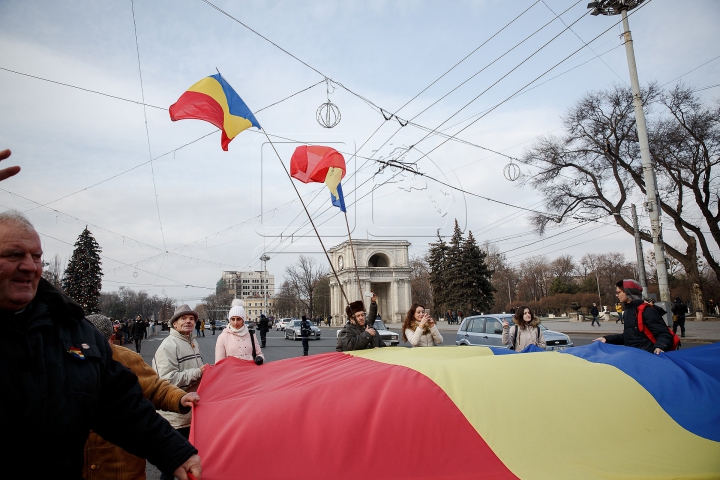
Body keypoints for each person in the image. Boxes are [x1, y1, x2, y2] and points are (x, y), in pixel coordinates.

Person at [0, 210, 201, 479]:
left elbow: (121, 403)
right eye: (14, 255)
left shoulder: (76, 331)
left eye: (36, 256)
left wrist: (174, 451)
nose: (29, 265)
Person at [84, 314, 201, 480]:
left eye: (98, 344)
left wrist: (179, 398)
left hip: (123, 468)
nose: (92, 351)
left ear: (111, 339)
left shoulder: (128, 359)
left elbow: (154, 387)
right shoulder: (68, 360)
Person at [153, 304, 207, 480]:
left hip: (190, 413)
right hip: (174, 417)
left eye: (191, 318)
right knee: (172, 464)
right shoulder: (168, 345)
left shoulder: (192, 342)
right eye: (183, 318)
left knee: (190, 461)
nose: (188, 321)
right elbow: (166, 381)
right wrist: (198, 372)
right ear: (174, 324)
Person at [594, 279, 673, 354]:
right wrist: (606, 339)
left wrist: (660, 347)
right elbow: (628, 337)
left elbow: (664, 334)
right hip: (634, 356)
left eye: (619, 292)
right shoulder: (628, 311)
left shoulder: (647, 311)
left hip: (647, 357)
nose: (617, 295)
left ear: (628, 293)